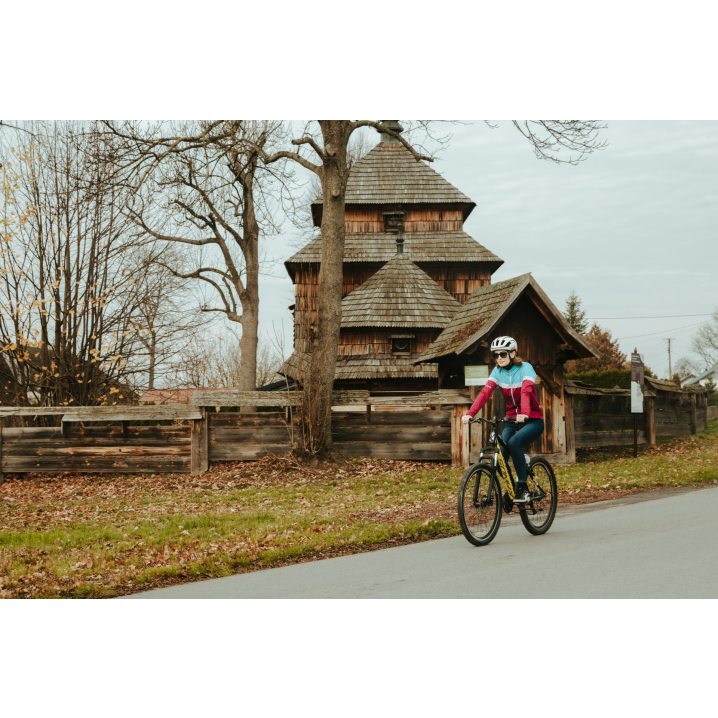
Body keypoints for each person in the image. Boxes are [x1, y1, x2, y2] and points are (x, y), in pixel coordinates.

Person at [461, 336, 545, 503]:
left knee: (514, 443)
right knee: (499, 458)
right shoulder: (497, 371)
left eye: (503, 354)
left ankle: (522, 487)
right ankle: (512, 488)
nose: (499, 358)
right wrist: (470, 413)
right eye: (495, 355)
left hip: (533, 420)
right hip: (511, 420)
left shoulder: (526, 368)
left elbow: (526, 391)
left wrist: (525, 412)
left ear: (513, 353)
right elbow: (485, 392)